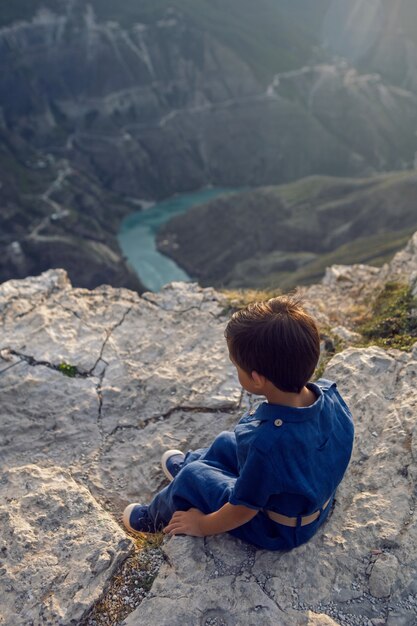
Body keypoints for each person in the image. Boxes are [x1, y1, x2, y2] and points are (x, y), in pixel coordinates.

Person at [123, 296, 354, 550]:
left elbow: (242, 510)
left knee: (193, 476)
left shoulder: (268, 444)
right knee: (226, 442)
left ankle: (155, 516)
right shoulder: (330, 394)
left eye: (237, 367)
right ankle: (196, 474)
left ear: (256, 379)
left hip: (279, 527)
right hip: (308, 499)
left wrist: (202, 525)